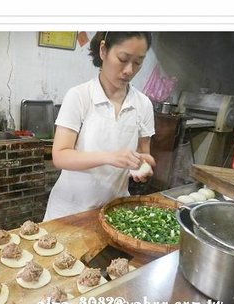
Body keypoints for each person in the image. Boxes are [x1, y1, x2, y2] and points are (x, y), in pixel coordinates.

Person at [43, 32, 156, 221]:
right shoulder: (79, 96)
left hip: (114, 212)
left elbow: (142, 153)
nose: (129, 70)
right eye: (123, 59)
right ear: (103, 50)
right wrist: (110, 157)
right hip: (70, 211)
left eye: (138, 62)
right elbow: (60, 155)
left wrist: (142, 166)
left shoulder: (143, 105)